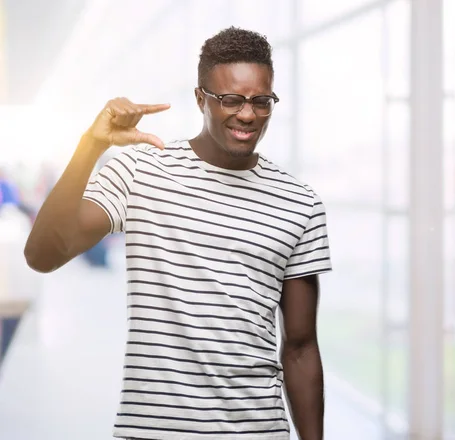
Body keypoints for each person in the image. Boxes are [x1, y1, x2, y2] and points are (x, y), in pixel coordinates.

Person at [24, 27, 331, 440]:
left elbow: (300, 347)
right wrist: (90, 147)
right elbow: (43, 255)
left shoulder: (300, 203)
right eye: (231, 99)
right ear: (200, 98)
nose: (247, 114)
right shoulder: (141, 171)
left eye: (261, 101)